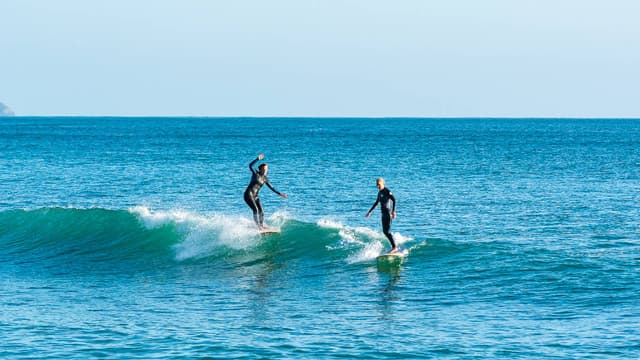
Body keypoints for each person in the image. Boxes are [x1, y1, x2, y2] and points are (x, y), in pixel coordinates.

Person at [244, 153, 287, 229]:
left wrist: (280, 194)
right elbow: (250, 166)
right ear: (260, 169)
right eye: (264, 169)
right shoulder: (255, 173)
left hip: (255, 196)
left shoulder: (265, 178)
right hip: (248, 195)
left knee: (262, 212)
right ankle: (258, 226)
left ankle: (261, 225)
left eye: (266, 169)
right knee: (255, 210)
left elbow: (272, 187)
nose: (265, 170)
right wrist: (257, 159)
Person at [365, 178, 398, 253]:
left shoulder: (387, 191)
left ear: (383, 183)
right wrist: (369, 212)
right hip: (383, 214)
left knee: (387, 231)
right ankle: (394, 245)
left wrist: (393, 211)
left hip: (388, 214)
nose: (377, 186)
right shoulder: (379, 193)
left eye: (379, 184)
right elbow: (376, 203)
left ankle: (394, 247)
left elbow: (394, 199)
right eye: (377, 185)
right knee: (385, 231)